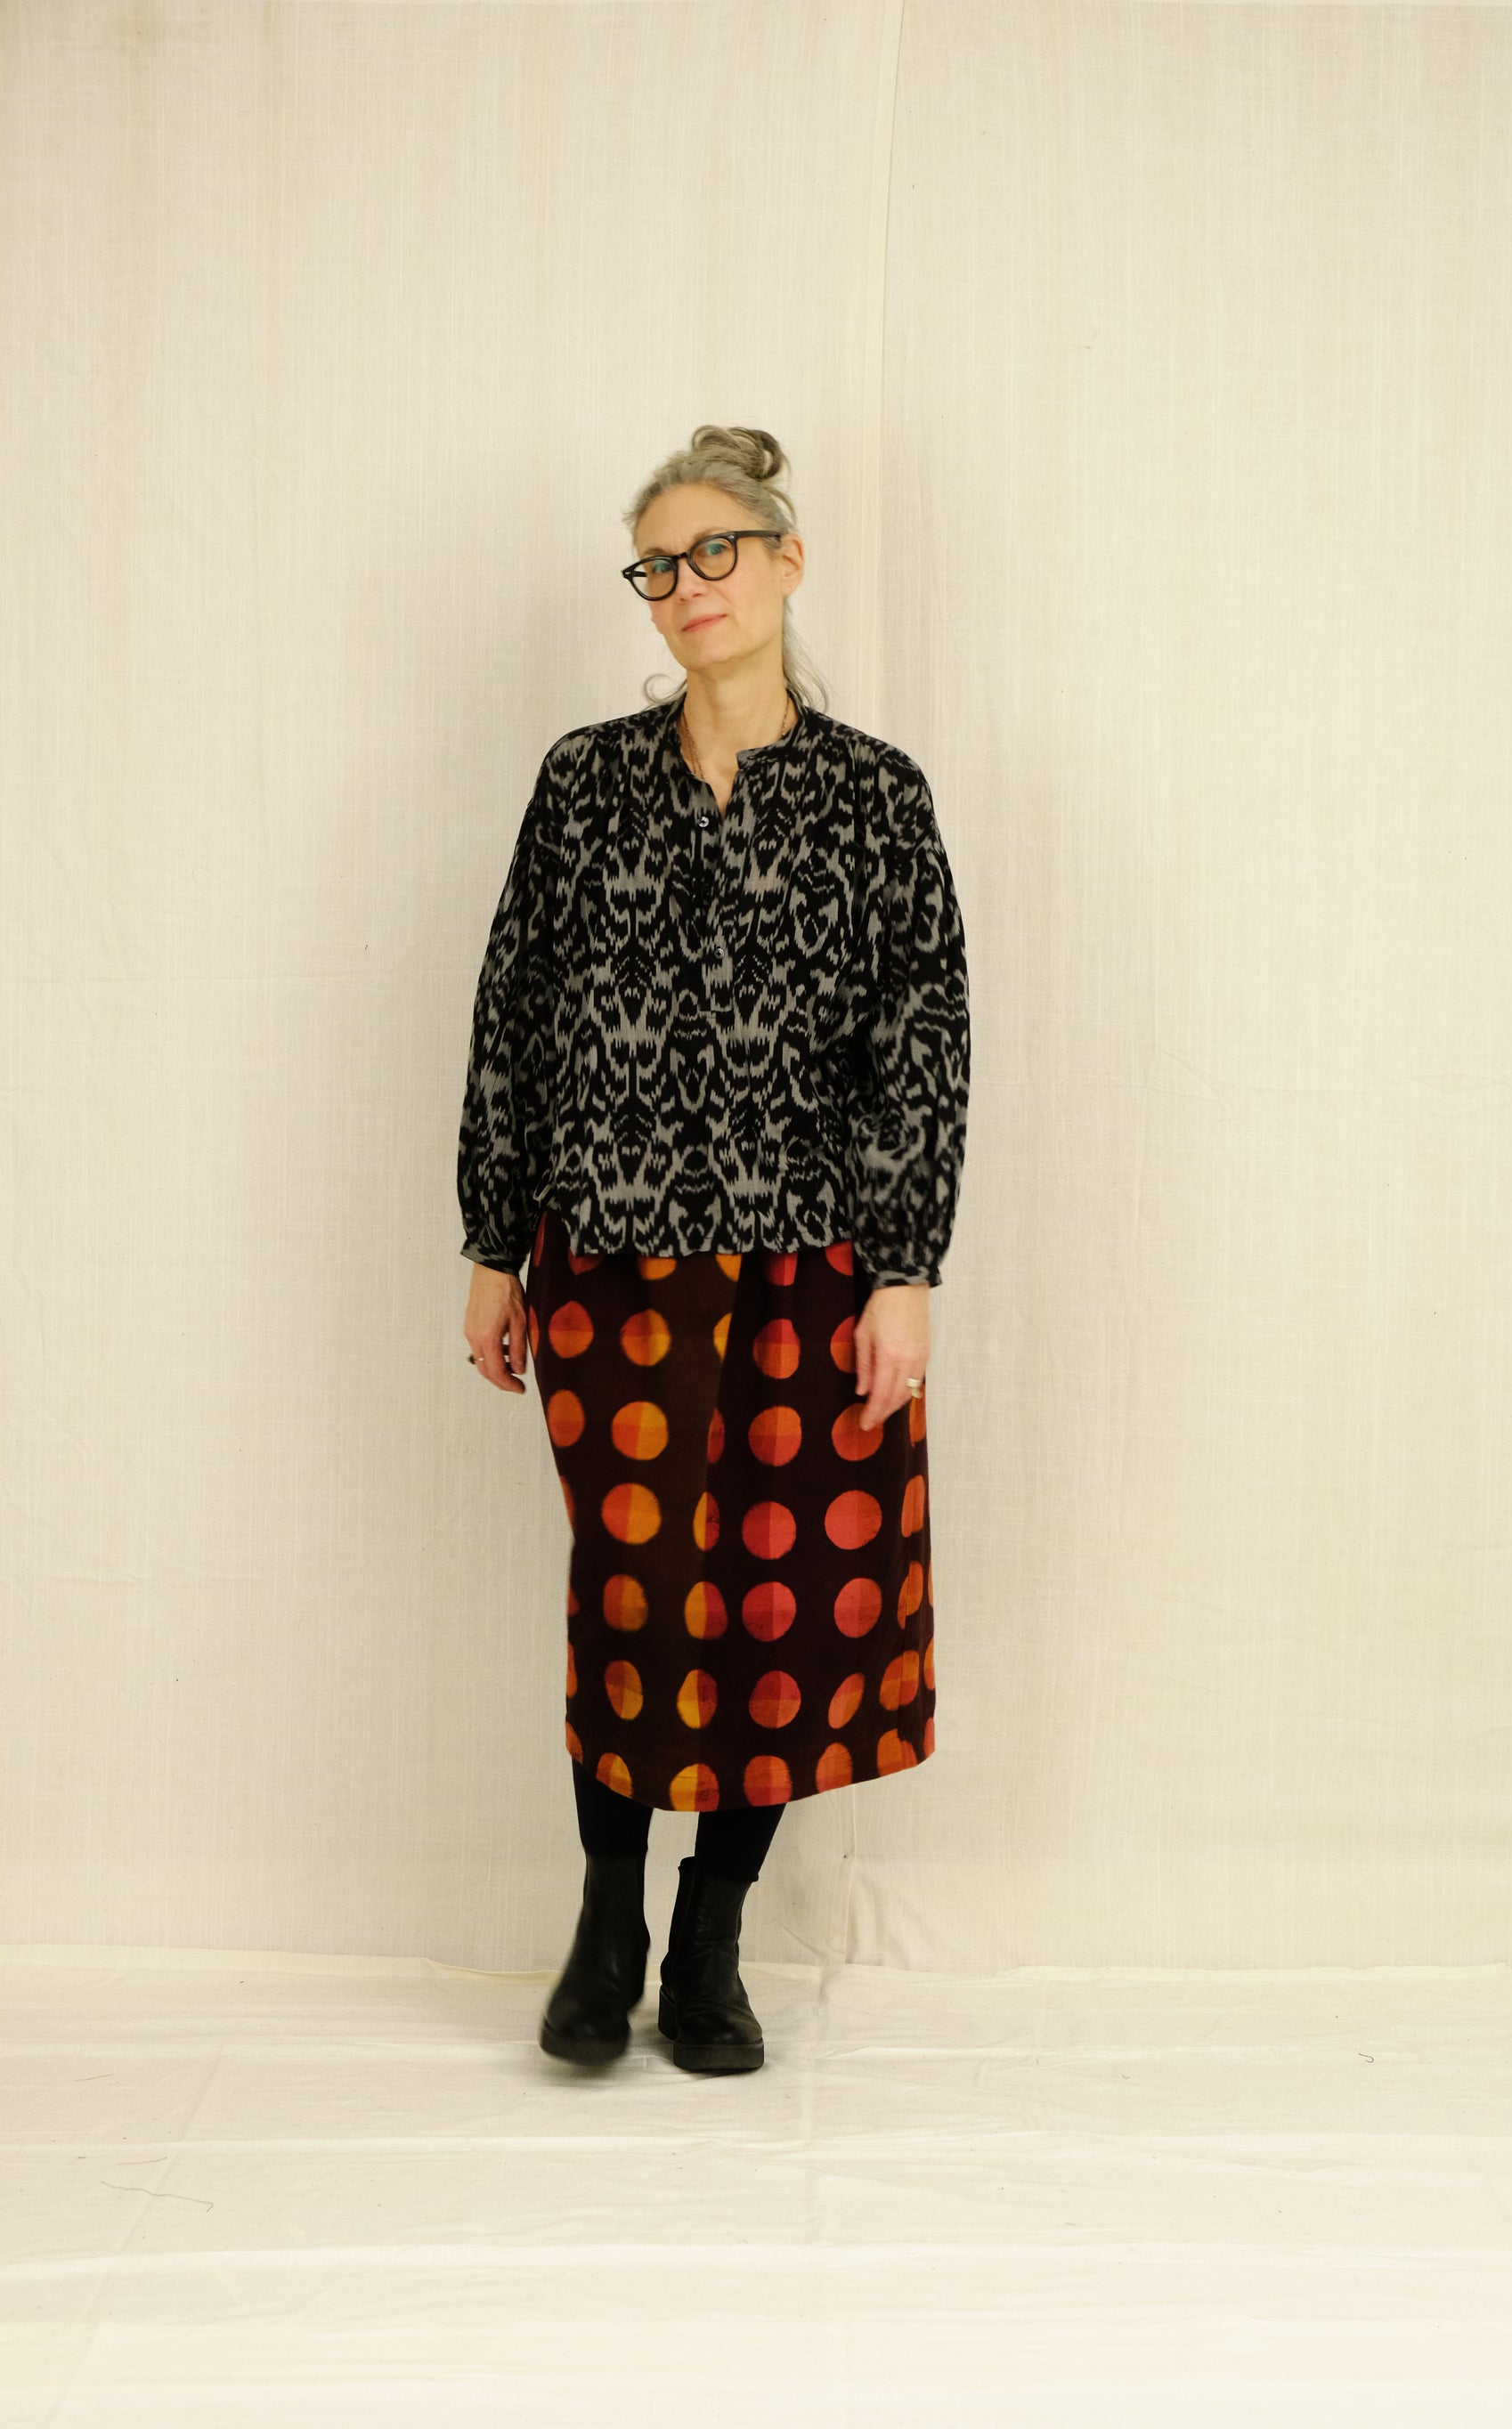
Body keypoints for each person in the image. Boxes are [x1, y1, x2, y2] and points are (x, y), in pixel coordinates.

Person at [456, 423, 970, 2076]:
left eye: (714, 554)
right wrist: (491, 1237)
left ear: (784, 559)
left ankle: (711, 1943)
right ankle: (608, 1921)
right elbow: (514, 1016)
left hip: (811, 1271)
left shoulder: (876, 796)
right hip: (607, 1261)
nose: (686, 588)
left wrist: (904, 1271)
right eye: (658, 566)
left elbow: (923, 1039)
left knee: (783, 1610)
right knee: (637, 1599)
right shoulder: (583, 779)